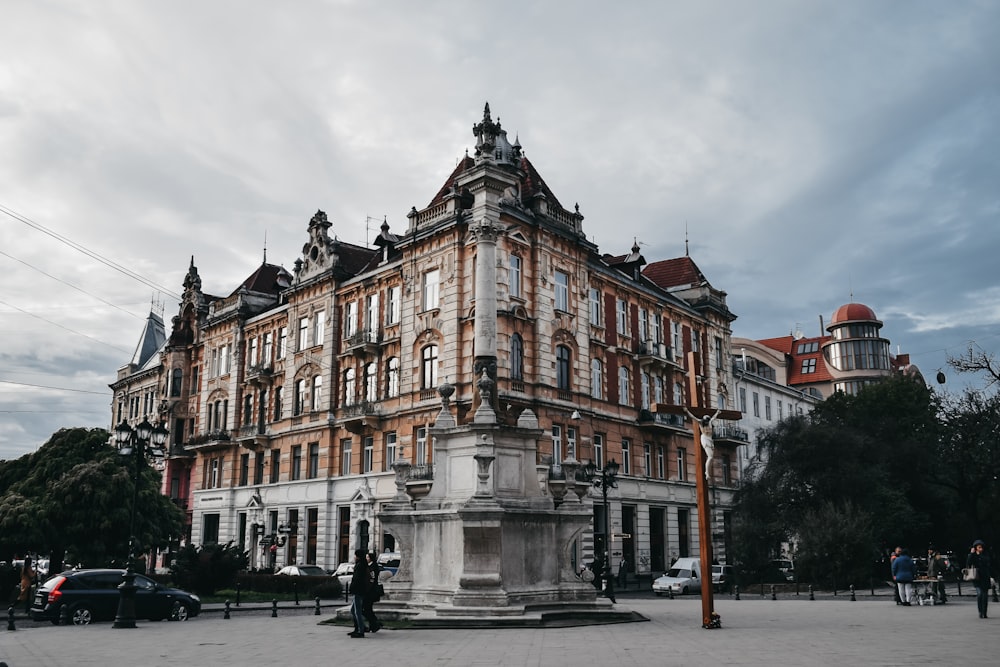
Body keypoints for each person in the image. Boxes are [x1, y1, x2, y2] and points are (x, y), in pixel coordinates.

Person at [966, 539, 991, 619]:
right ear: (975, 548)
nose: (981, 549)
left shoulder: (985, 554)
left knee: (985, 596)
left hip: (985, 577)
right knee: (980, 594)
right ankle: (980, 611)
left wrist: (980, 555)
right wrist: (971, 554)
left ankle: (984, 612)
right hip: (977, 577)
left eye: (981, 547)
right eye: (979, 547)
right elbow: (968, 564)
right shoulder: (973, 555)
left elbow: (988, 562)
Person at [348, 549, 369, 637]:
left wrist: (352, 588)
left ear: (358, 557)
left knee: (357, 612)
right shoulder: (362, 565)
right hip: (360, 590)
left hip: (358, 591)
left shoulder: (360, 566)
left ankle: (361, 631)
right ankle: (359, 627)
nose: (355, 557)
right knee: (353, 610)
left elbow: (356, 579)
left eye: (356, 556)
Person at [363, 552, 383, 633]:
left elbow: (372, 578)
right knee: (368, 609)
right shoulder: (370, 566)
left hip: (371, 591)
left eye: (367, 557)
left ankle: (375, 623)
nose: (366, 558)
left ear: (371, 558)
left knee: (366, 609)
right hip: (370, 591)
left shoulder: (373, 566)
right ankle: (373, 625)